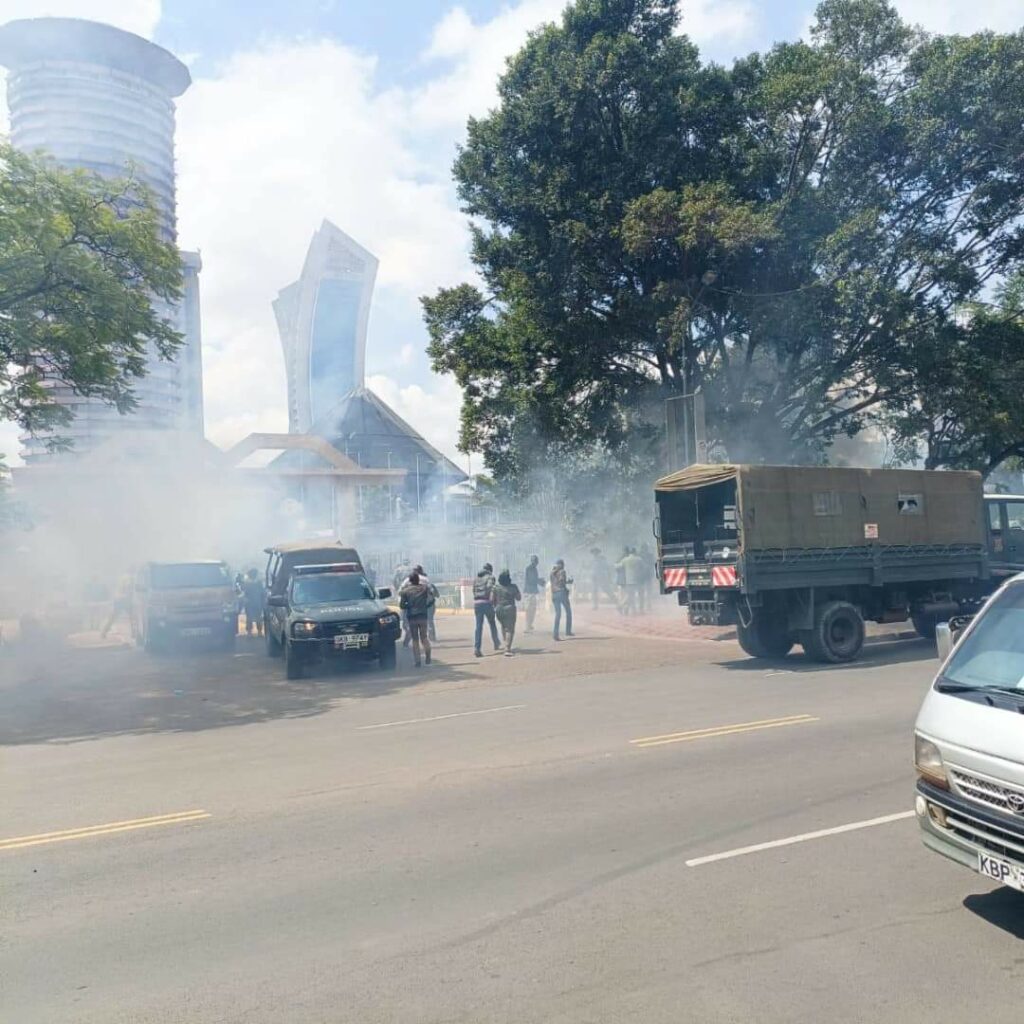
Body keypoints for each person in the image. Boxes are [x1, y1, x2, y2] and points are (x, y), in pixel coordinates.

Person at [399, 571, 435, 667]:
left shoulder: (405, 591)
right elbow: (432, 599)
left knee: (415, 639)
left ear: (410, 581)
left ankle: (417, 661)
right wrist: (426, 606)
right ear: (418, 580)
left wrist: (409, 606)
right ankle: (428, 659)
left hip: (412, 617)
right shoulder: (424, 588)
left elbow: (402, 606)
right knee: (424, 637)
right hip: (422, 615)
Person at [472, 562, 500, 657]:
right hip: (487, 603)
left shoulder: (476, 579)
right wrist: (494, 601)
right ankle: (496, 642)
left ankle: (477, 648)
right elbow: (491, 588)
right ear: (490, 570)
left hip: (477, 603)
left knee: (478, 627)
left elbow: (473, 591)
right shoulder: (490, 577)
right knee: (492, 623)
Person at [492, 569, 522, 656]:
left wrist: (496, 605)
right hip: (510, 609)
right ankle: (507, 648)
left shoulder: (496, 587)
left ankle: (506, 643)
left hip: (499, 609)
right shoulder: (513, 587)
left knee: (503, 626)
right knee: (510, 629)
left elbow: (491, 599)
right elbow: (519, 598)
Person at [412, 564, 440, 642]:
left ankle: (431, 638)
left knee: (429, 621)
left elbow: (436, 594)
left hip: (428, 605)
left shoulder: (426, 582)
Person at [100, 573, 132, 639]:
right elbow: (128, 588)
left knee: (113, 617)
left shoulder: (123, 577)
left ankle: (103, 632)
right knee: (133, 617)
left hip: (119, 599)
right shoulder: (129, 578)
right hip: (124, 599)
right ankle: (134, 633)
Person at [550, 558, 573, 640]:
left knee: (558, 614)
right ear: (561, 565)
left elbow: (555, 582)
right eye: (563, 564)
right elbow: (561, 582)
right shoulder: (562, 571)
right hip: (561, 593)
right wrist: (569, 582)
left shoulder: (551, 572)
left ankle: (555, 634)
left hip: (554, 594)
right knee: (568, 612)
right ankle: (568, 631)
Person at [620, 547, 644, 616]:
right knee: (639, 595)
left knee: (631, 596)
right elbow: (643, 567)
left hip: (629, 580)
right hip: (638, 580)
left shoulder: (625, 559)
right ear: (635, 552)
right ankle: (630, 609)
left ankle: (629, 608)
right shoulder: (639, 559)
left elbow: (618, 566)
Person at [242, 569, 265, 637]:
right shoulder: (257, 583)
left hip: (254, 603)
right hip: (254, 603)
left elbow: (262, 594)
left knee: (253, 618)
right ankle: (255, 632)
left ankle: (253, 632)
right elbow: (262, 593)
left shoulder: (249, 583)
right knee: (253, 618)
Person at [523, 554, 541, 632]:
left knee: (533, 609)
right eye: (535, 561)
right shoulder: (529, 568)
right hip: (529, 592)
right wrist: (539, 581)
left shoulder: (534, 569)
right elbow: (531, 579)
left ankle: (529, 625)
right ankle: (527, 626)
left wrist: (539, 581)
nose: (536, 562)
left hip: (532, 591)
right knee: (528, 609)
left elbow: (534, 579)